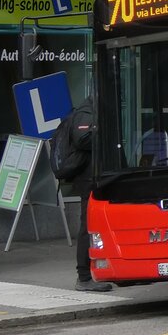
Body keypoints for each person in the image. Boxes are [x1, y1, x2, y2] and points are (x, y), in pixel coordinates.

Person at [66, 96, 111, 292]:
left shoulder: (92, 110)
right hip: (88, 179)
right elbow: (82, 138)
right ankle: (83, 277)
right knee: (88, 225)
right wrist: (103, 129)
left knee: (98, 223)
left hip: (98, 176)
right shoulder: (86, 111)